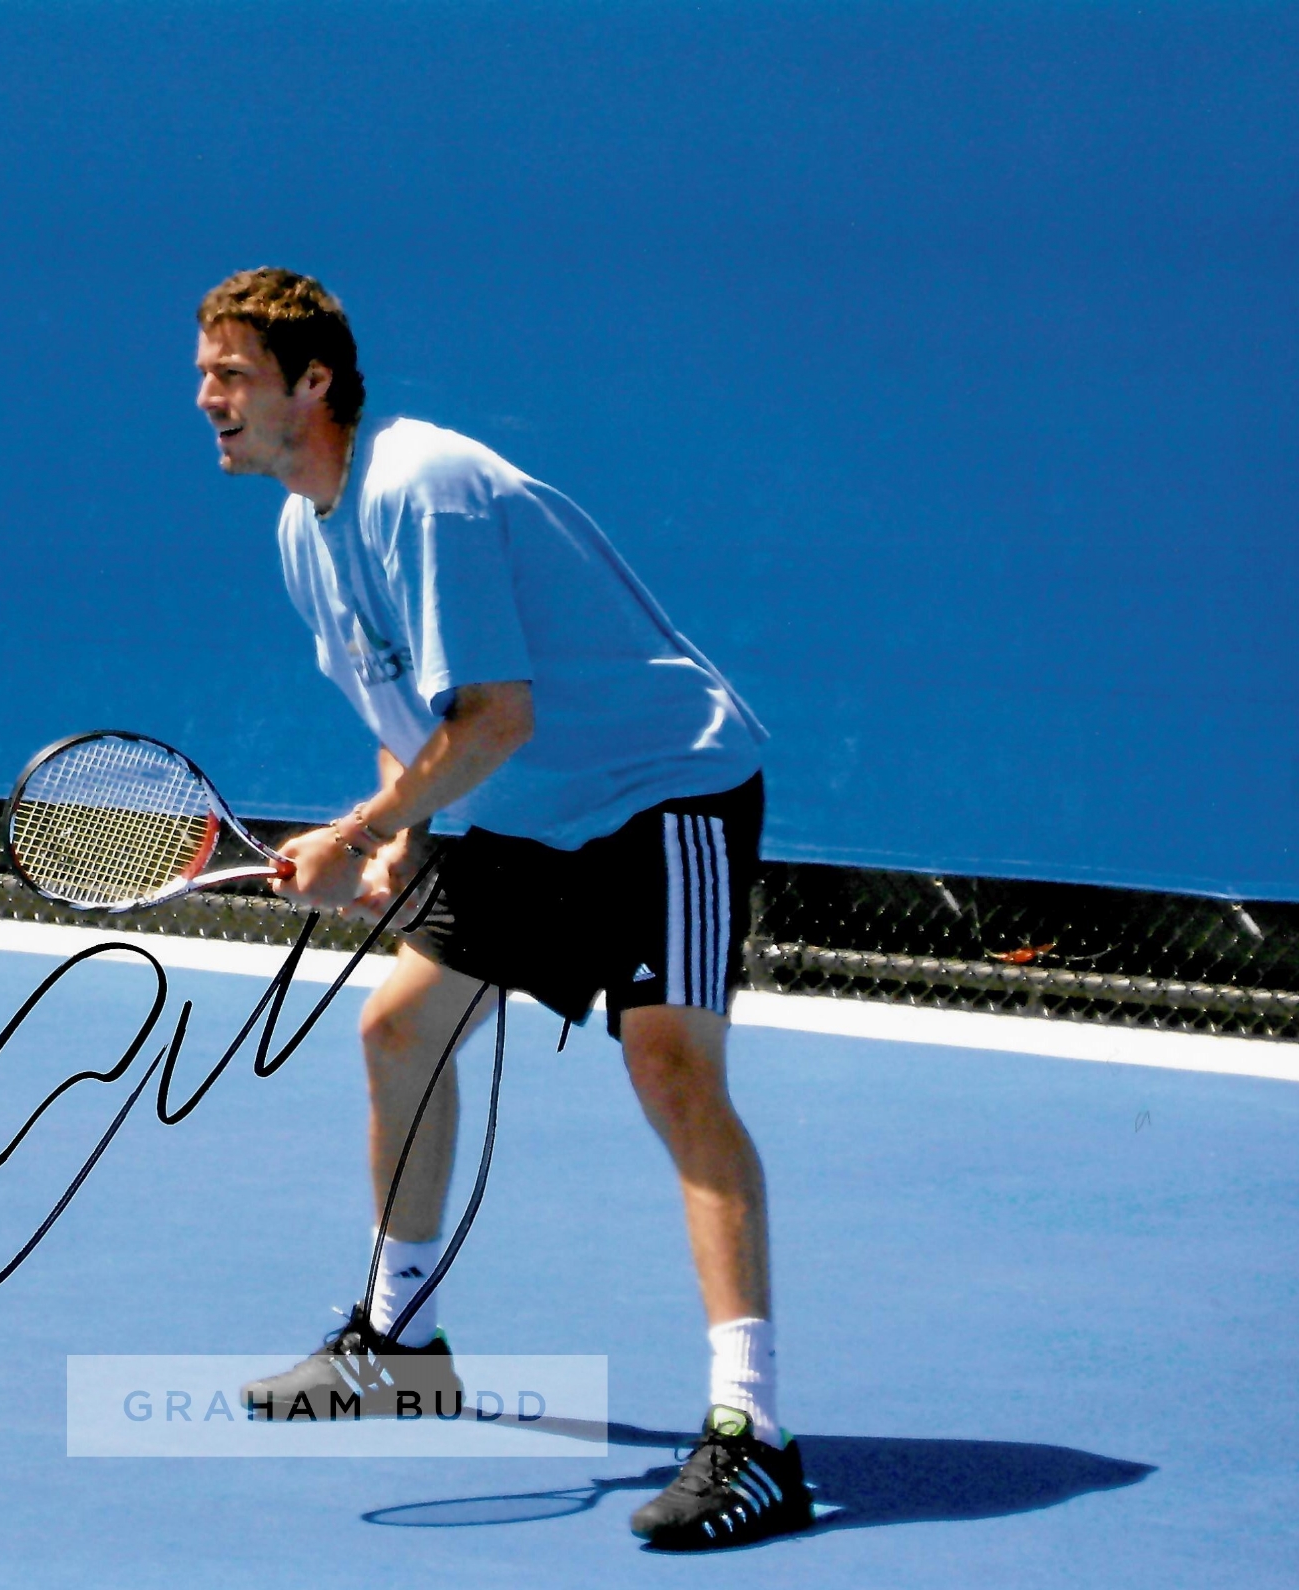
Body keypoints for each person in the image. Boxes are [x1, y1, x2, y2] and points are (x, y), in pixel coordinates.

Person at [193, 267, 812, 1551]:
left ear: (313, 383)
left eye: (232, 374)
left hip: (659, 791)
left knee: (671, 1068)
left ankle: (754, 1440)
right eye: (204, 375)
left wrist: (363, 833)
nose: (207, 398)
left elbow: (496, 715)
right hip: (521, 811)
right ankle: (396, 1344)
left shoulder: (420, 485)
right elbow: (413, 723)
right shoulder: (303, 535)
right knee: (397, 1032)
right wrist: (398, 838)